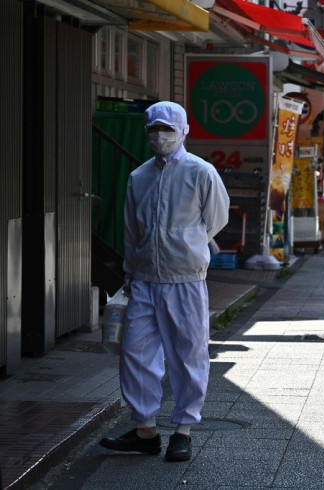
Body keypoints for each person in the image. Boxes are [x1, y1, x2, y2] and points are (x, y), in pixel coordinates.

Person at [99, 102, 230, 462]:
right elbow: (131, 228)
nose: (160, 136)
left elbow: (216, 219)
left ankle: (183, 430)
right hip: (142, 278)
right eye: (153, 130)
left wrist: (186, 243)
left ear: (184, 131)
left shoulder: (201, 172)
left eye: (167, 130)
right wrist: (130, 270)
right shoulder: (138, 177)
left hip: (185, 278)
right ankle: (145, 429)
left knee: (189, 354)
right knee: (135, 354)